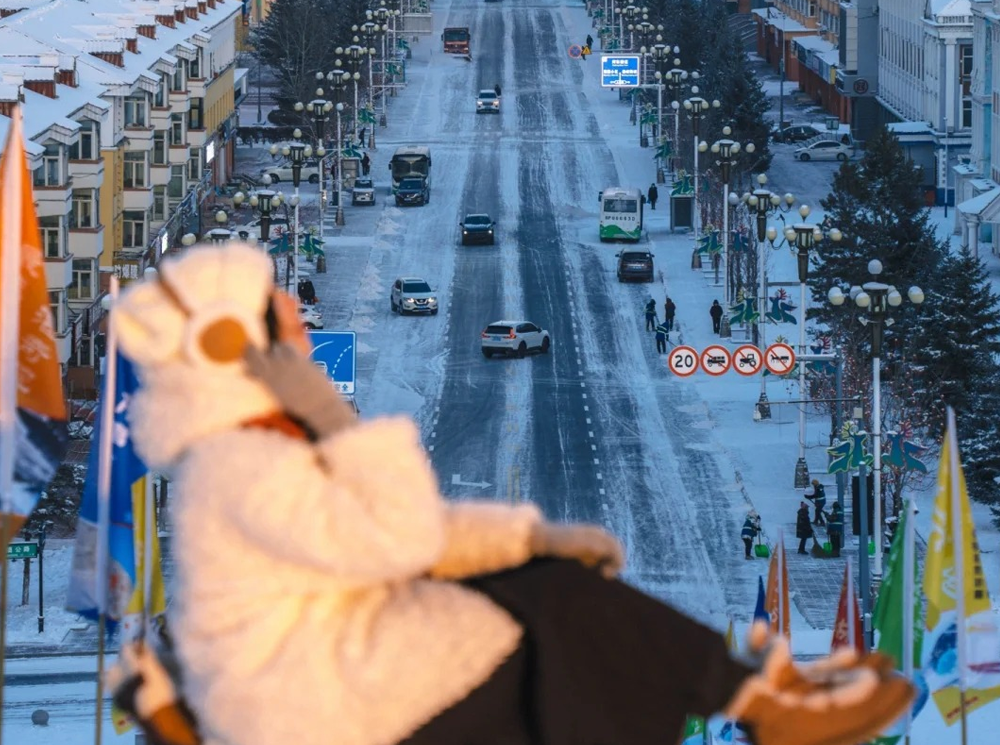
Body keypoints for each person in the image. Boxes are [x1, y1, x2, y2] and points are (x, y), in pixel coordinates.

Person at [109, 243, 914, 745]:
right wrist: (333, 416)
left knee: (544, 603)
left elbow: (393, 536)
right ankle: (763, 702)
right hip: (314, 704)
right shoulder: (245, 459)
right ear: (234, 342)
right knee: (556, 614)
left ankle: (759, 698)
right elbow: (397, 537)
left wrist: (529, 539)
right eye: (277, 307)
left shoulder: (259, 444)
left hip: (332, 677)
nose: (298, 312)